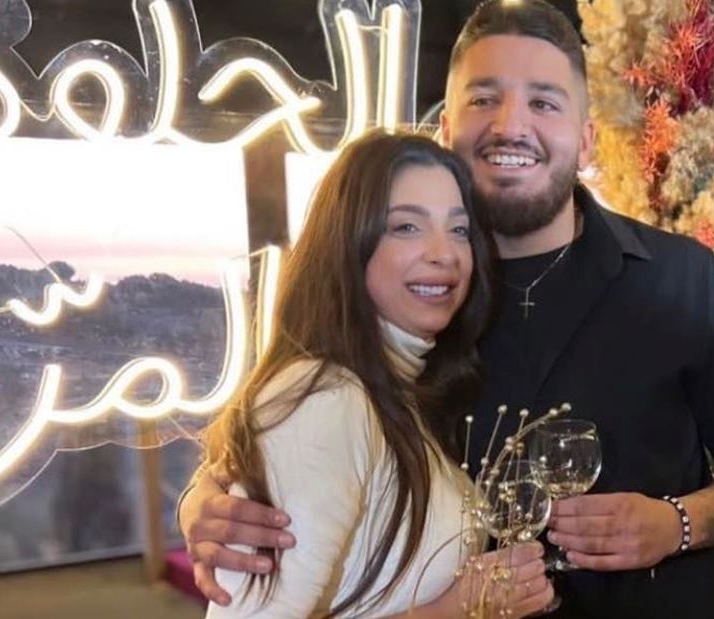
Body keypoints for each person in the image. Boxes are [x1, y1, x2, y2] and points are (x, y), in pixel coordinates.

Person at [181, 2, 714, 617]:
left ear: (585, 138)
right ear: (447, 129)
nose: (510, 124)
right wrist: (206, 500)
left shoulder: (679, 277)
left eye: (544, 102)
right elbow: (295, 427)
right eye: (484, 98)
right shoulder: (410, 298)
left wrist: (678, 523)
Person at [201, 130, 553, 618]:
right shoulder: (325, 399)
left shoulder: (397, 389)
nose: (444, 253)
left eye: (458, 230)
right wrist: (455, 608)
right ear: (348, 244)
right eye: (406, 227)